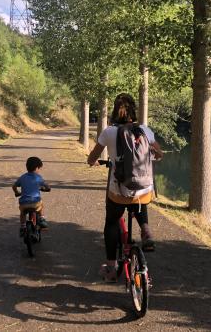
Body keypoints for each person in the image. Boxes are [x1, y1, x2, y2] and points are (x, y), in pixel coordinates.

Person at [87, 93, 163, 282]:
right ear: (133, 111)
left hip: (119, 190)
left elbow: (91, 158)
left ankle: (111, 268)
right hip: (144, 189)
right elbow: (159, 154)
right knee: (139, 199)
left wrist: (93, 162)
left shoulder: (109, 132)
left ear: (114, 110)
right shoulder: (145, 130)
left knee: (111, 223)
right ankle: (145, 230)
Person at [12, 156, 51, 236]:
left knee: (22, 213)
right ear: (37, 168)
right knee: (41, 204)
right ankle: (42, 219)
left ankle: (23, 227)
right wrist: (47, 189)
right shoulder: (38, 177)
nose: (39, 170)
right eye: (39, 169)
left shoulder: (22, 177)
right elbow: (47, 186)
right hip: (35, 203)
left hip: (24, 203)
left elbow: (14, 186)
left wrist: (17, 192)